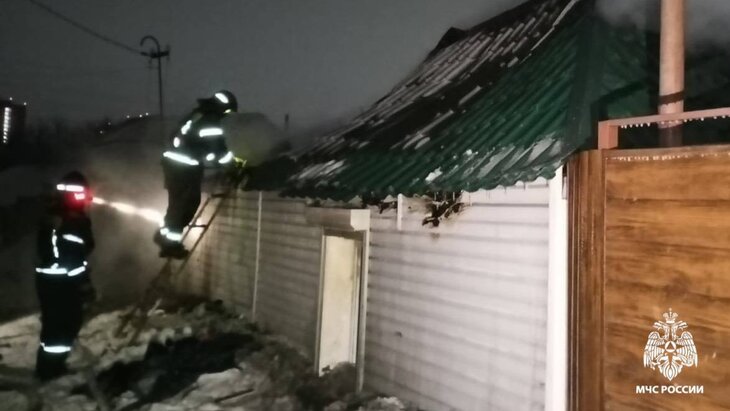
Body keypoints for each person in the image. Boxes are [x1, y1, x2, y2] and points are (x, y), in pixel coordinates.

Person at [154, 90, 238, 258]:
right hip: (184, 167)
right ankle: (170, 245)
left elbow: (192, 142)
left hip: (174, 165)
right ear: (224, 107)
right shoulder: (211, 121)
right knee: (187, 204)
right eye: (228, 112)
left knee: (177, 205)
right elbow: (218, 150)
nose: (227, 116)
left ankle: (164, 237)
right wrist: (233, 167)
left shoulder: (197, 115)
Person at [35, 171, 96, 381]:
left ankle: (50, 366)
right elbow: (73, 260)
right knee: (61, 326)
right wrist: (85, 286)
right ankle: (50, 370)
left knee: (59, 325)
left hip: (54, 280)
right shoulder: (69, 222)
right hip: (59, 282)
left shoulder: (61, 217)